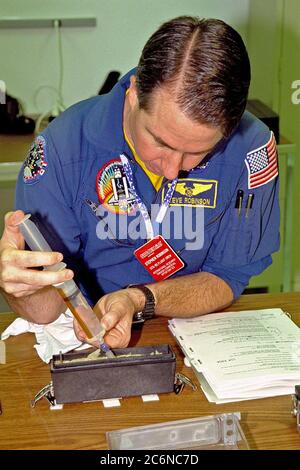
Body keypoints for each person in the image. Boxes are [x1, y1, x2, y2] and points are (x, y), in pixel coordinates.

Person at [0, 16, 279, 349]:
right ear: (133, 96)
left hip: (199, 332)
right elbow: (45, 311)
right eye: (160, 141)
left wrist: (137, 299)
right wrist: (18, 286)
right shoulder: (61, 148)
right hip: (88, 330)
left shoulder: (252, 150)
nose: (174, 170)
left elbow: (227, 276)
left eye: (199, 153)